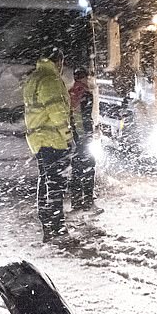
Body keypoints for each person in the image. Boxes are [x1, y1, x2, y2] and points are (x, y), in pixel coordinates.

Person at [23, 50, 75, 243]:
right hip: (52, 139)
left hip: (38, 139)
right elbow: (58, 112)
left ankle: (48, 226)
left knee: (45, 181)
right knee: (55, 185)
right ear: (58, 61)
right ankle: (57, 229)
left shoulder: (34, 78)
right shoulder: (50, 80)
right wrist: (68, 136)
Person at [68, 67, 100, 213]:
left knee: (76, 168)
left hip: (75, 135)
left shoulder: (71, 92)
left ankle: (76, 201)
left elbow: (72, 115)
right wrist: (87, 135)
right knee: (89, 166)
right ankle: (88, 201)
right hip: (82, 136)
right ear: (83, 78)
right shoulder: (84, 93)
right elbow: (84, 117)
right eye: (87, 78)